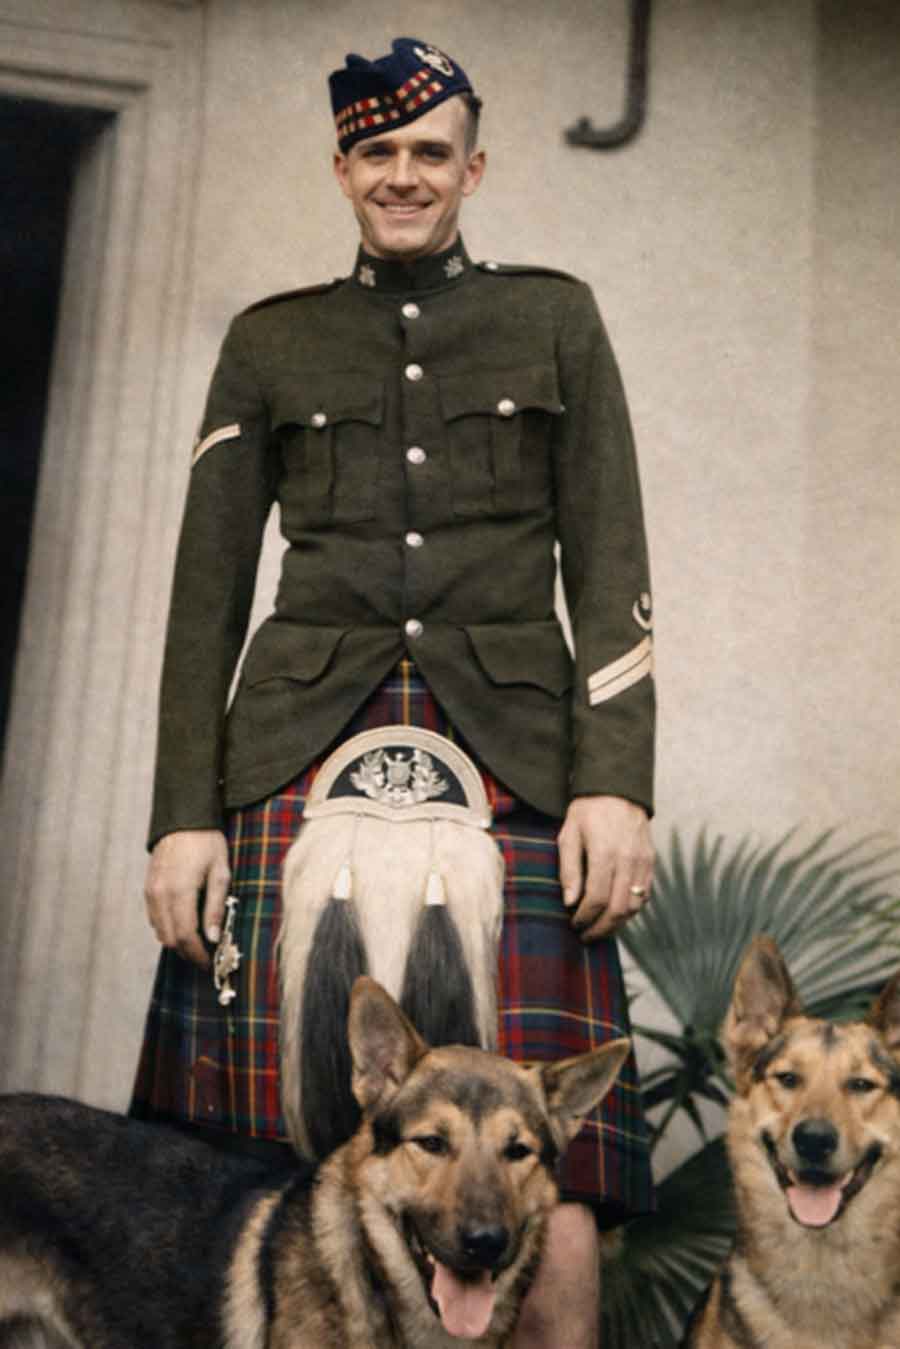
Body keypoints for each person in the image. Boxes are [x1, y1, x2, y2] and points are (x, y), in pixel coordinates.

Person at [132, 37, 656, 1348]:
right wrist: (182, 815)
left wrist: (614, 781)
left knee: (564, 1172)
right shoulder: (271, 343)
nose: (405, 176)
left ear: (472, 167)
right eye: (379, 153)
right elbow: (207, 598)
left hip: (520, 755)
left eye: (431, 153)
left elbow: (611, 564)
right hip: (296, 750)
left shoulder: (556, 318)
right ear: (343, 168)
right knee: (239, 1138)